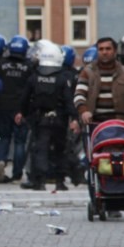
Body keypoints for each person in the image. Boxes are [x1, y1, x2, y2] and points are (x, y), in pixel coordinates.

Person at [18, 41, 77, 191]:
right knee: (60, 149)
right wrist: (74, 118)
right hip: (60, 120)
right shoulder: (62, 78)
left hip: (40, 119)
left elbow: (25, 97)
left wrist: (21, 113)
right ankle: (59, 181)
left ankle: (40, 181)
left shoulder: (34, 77)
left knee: (40, 149)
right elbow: (69, 100)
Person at [75, 36, 124, 125]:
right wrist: (83, 111)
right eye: (101, 49)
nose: (104, 52)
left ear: (115, 51)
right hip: (94, 124)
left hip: (119, 123)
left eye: (108, 49)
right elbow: (79, 95)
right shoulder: (87, 72)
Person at [0, 35, 32, 183]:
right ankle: (17, 174)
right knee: (19, 142)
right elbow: (30, 90)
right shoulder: (29, 67)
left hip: (2, 105)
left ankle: (1, 160)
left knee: (3, 138)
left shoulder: (0, 64)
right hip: (20, 108)